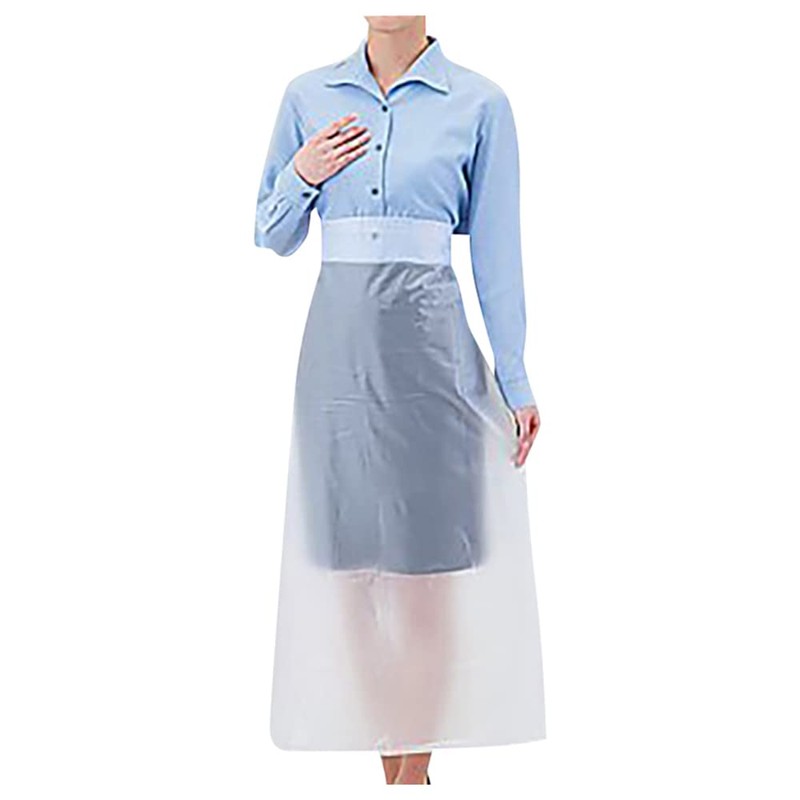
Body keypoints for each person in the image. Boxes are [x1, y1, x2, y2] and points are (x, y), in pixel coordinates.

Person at [254, 16, 546, 786]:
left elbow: (498, 252)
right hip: (338, 363)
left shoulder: (479, 104)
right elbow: (271, 233)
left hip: (431, 355)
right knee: (350, 576)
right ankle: (397, 770)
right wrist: (303, 172)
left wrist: (514, 376)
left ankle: (410, 778)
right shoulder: (308, 97)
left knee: (426, 582)